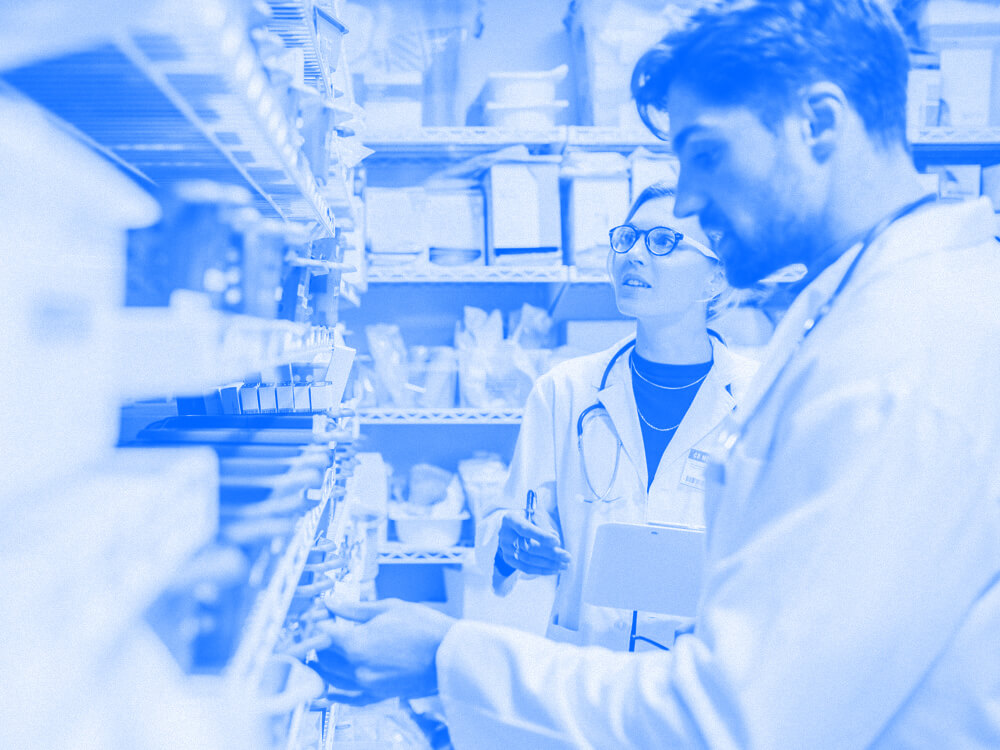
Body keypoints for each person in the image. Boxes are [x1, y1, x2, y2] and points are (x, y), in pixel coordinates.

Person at [315, 2, 1000, 747]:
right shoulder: (866, 309)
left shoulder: (905, 349)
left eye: (706, 154)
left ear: (819, 123)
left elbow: (734, 719)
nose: (690, 198)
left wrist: (446, 655)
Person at [477, 182, 759, 651]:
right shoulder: (565, 391)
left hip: (699, 669)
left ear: (715, 279)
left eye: (663, 242)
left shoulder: (759, 398)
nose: (634, 255)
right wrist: (510, 546)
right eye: (628, 238)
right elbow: (510, 517)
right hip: (586, 666)